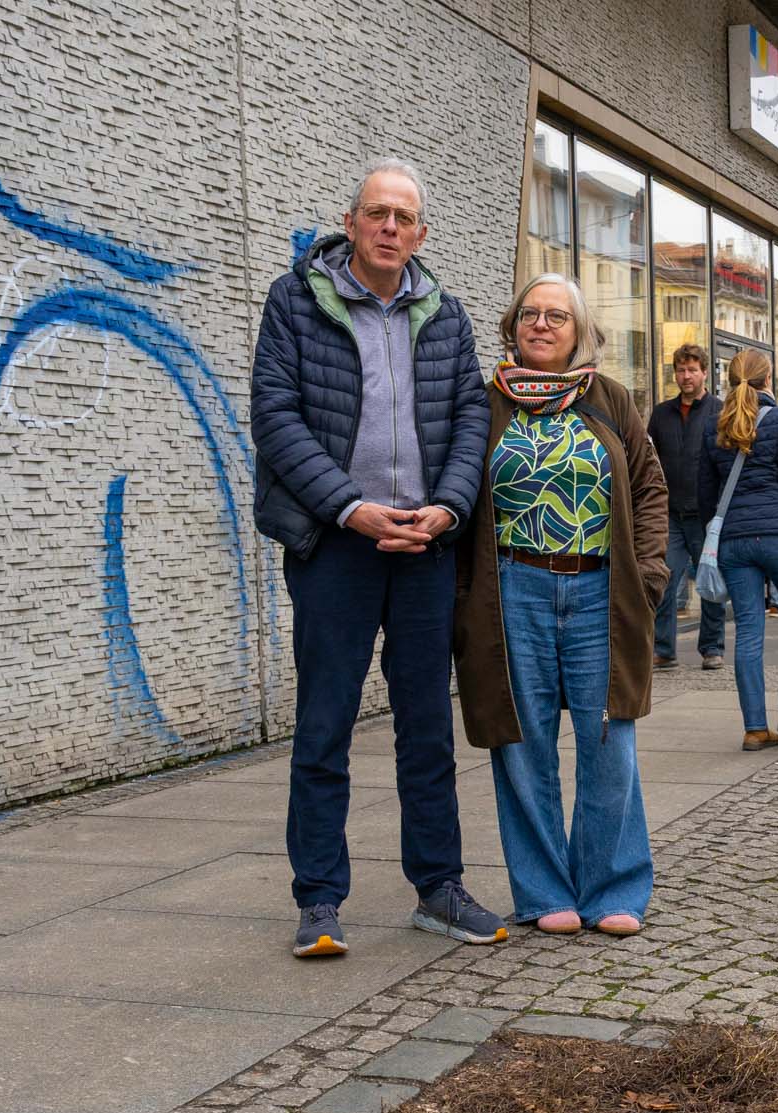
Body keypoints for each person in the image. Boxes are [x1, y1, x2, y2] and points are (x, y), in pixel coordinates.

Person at [249, 158, 505, 960]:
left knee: (426, 729)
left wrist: (449, 508)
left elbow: (470, 419)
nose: (390, 227)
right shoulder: (296, 300)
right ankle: (319, 900)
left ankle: (438, 888)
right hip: (336, 545)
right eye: (377, 214)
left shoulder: (447, 314)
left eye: (404, 217)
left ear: (421, 234)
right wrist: (351, 509)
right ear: (353, 224)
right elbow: (276, 416)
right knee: (324, 724)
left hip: (426, 547)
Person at [452, 275, 668, 937]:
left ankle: (612, 889)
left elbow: (650, 489)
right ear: (513, 327)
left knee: (610, 738)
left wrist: (650, 576)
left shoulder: (610, 400)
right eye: (529, 315)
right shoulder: (485, 405)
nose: (541, 325)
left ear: (579, 332)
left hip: (600, 590)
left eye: (556, 317)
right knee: (523, 742)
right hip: (511, 589)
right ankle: (545, 892)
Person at [700, 350, 778, 751]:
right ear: (767, 379)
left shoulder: (715, 425)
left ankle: (755, 728)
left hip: (735, 542)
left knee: (748, 631)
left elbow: (707, 494)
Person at [646, 344, 724, 670]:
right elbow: (648, 458)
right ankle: (664, 649)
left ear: (704, 372)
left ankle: (712, 649)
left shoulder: (719, 410)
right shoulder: (661, 413)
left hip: (707, 516)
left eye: (692, 370)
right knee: (664, 579)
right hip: (671, 515)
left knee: (710, 583)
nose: (686, 376)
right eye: (680, 370)